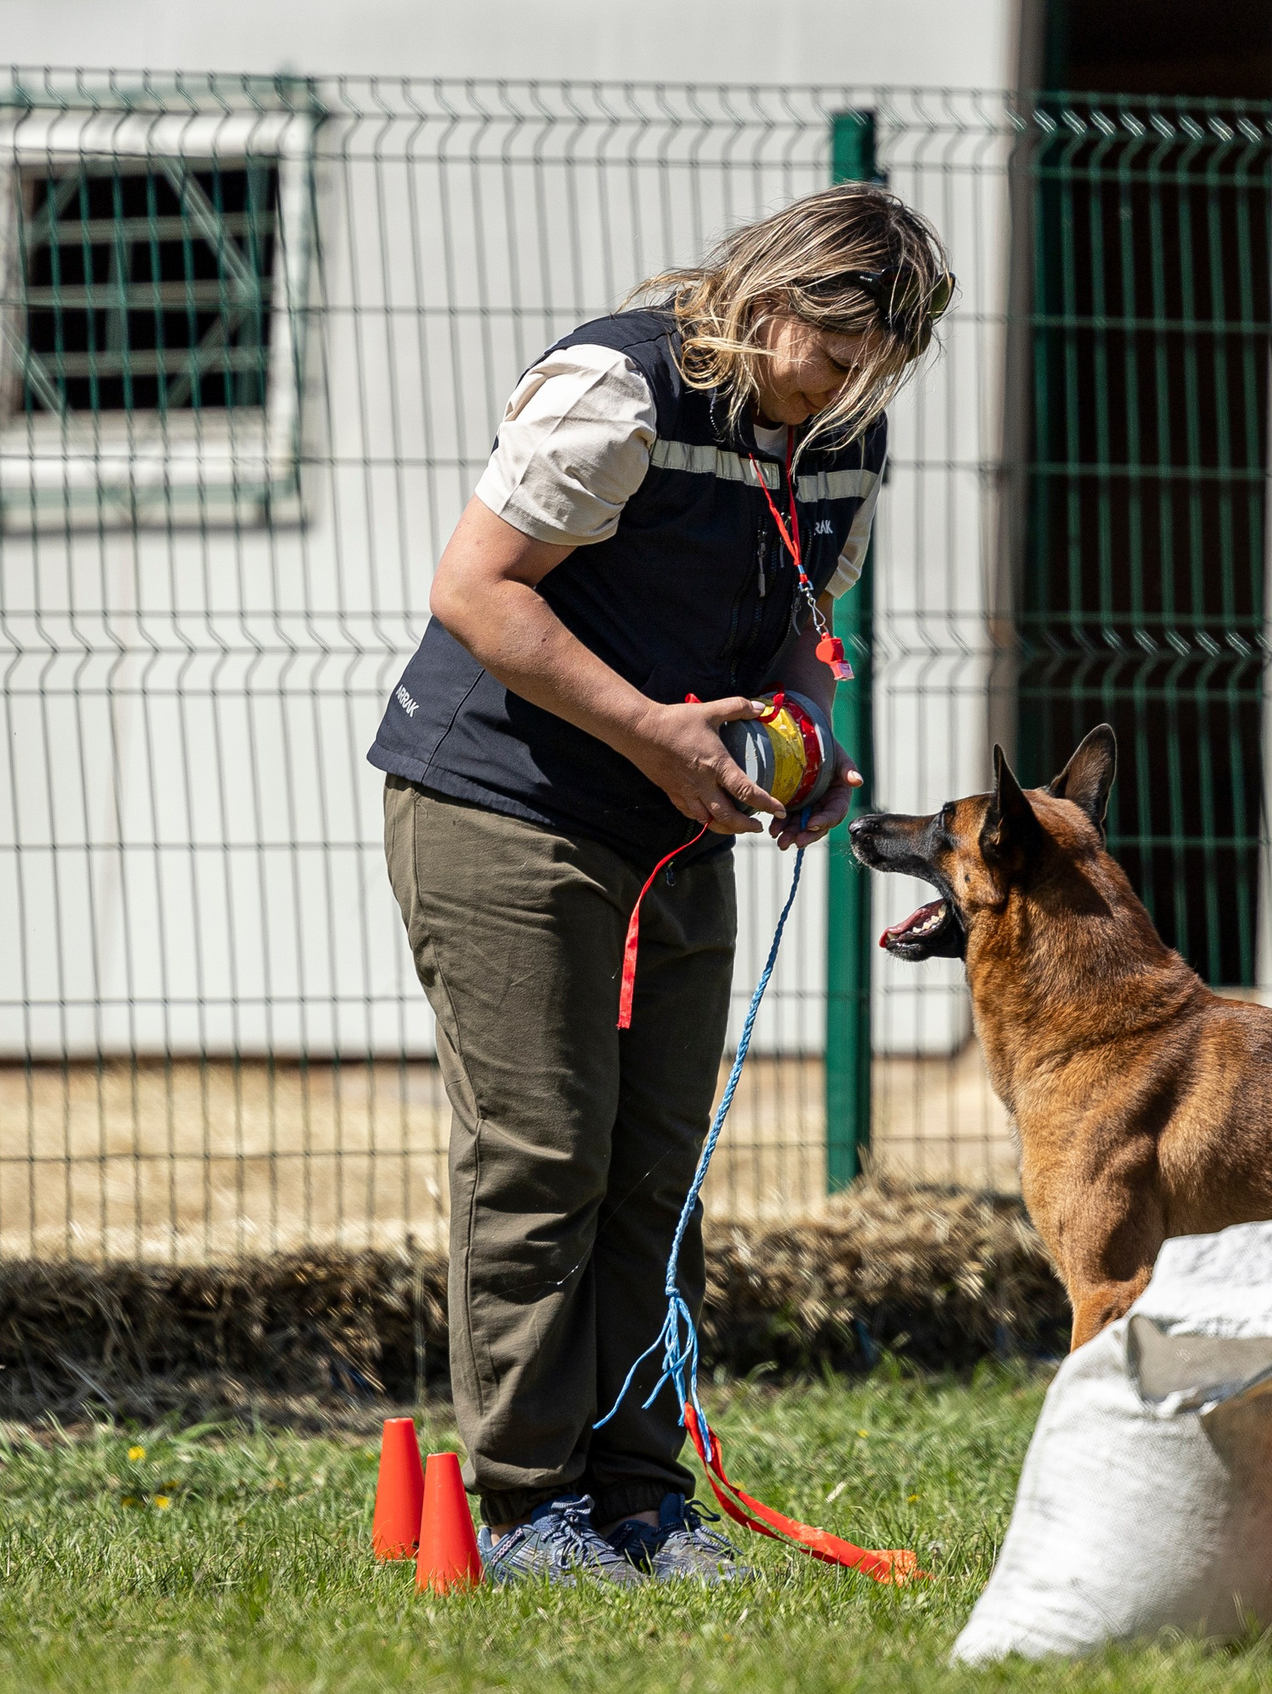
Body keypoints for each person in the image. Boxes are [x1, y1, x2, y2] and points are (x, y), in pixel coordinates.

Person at [367, 185, 952, 1584]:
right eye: (831, 353)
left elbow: (809, 625)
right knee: (544, 1155)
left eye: (876, 368)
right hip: (506, 804)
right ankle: (528, 1509)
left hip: (676, 821)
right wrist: (652, 730)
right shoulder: (617, 388)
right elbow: (478, 590)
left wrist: (810, 732)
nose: (844, 389)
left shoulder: (843, 433)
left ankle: (641, 1503)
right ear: (773, 297)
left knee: (660, 1176)